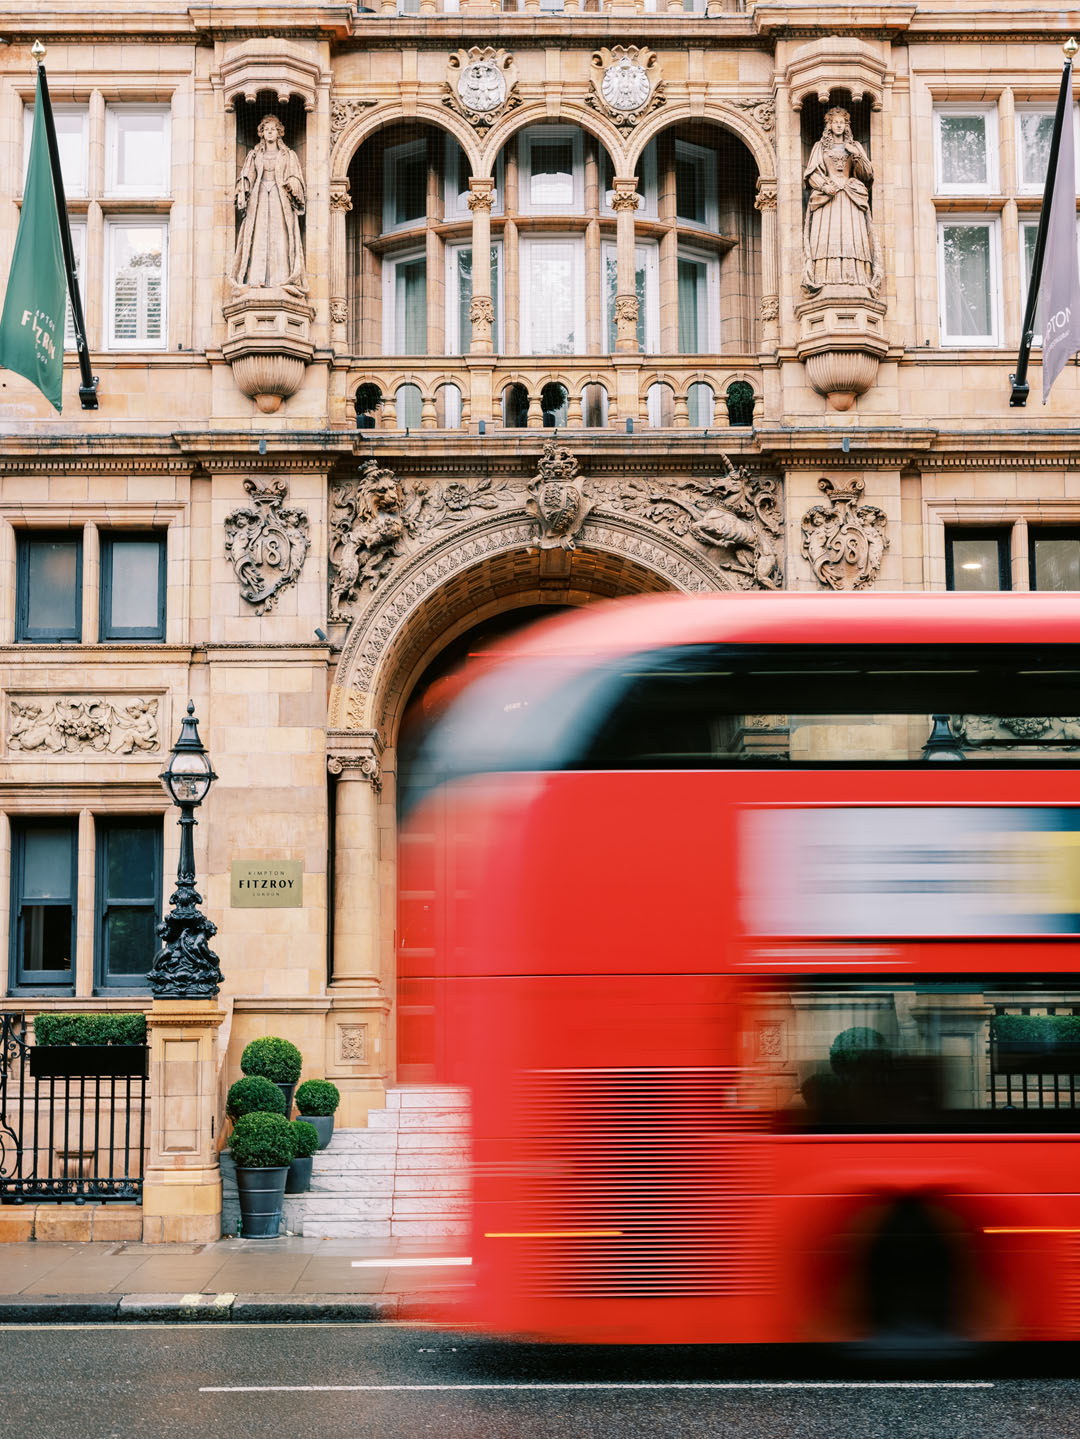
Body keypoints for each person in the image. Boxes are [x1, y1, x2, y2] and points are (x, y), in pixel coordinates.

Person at [802, 107, 881, 296]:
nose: (839, 125)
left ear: (846, 126)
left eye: (842, 122)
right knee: (828, 236)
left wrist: (857, 155)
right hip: (828, 198)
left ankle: (856, 278)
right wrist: (823, 186)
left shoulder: (855, 146)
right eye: (835, 122)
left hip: (850, 196)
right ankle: (826, 278)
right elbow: (811, 173)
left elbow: (867, 176)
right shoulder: (819, 147)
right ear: (829, 125)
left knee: (852, 235)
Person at [230, 115, 309, 297]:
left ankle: (280, 278)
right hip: (259, 200)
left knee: (280, 237)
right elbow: (246, 176)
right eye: (267, 129)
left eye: (273, 129)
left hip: (279, 199)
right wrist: (243, 188)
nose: (270, 132)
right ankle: (255, 279)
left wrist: (292, 184)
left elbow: (296, 176)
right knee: (258, 236)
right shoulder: (254, 154)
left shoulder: (288, 155)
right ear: (262, 133)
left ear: (279, 132)